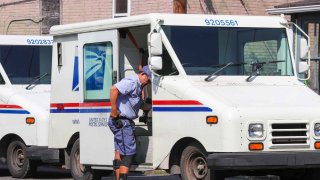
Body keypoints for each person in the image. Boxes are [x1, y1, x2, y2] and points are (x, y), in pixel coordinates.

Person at [108, 65, 152, 180]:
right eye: (148, 80)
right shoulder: (132, 81)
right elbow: (113, 89)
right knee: (128, 153)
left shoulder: (139, 87)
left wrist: (150, 106)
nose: (148, 83)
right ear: (143, 74)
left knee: (119, 152)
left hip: (123, 122)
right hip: (122, 121)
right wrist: (114, 110)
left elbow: (139, 104)